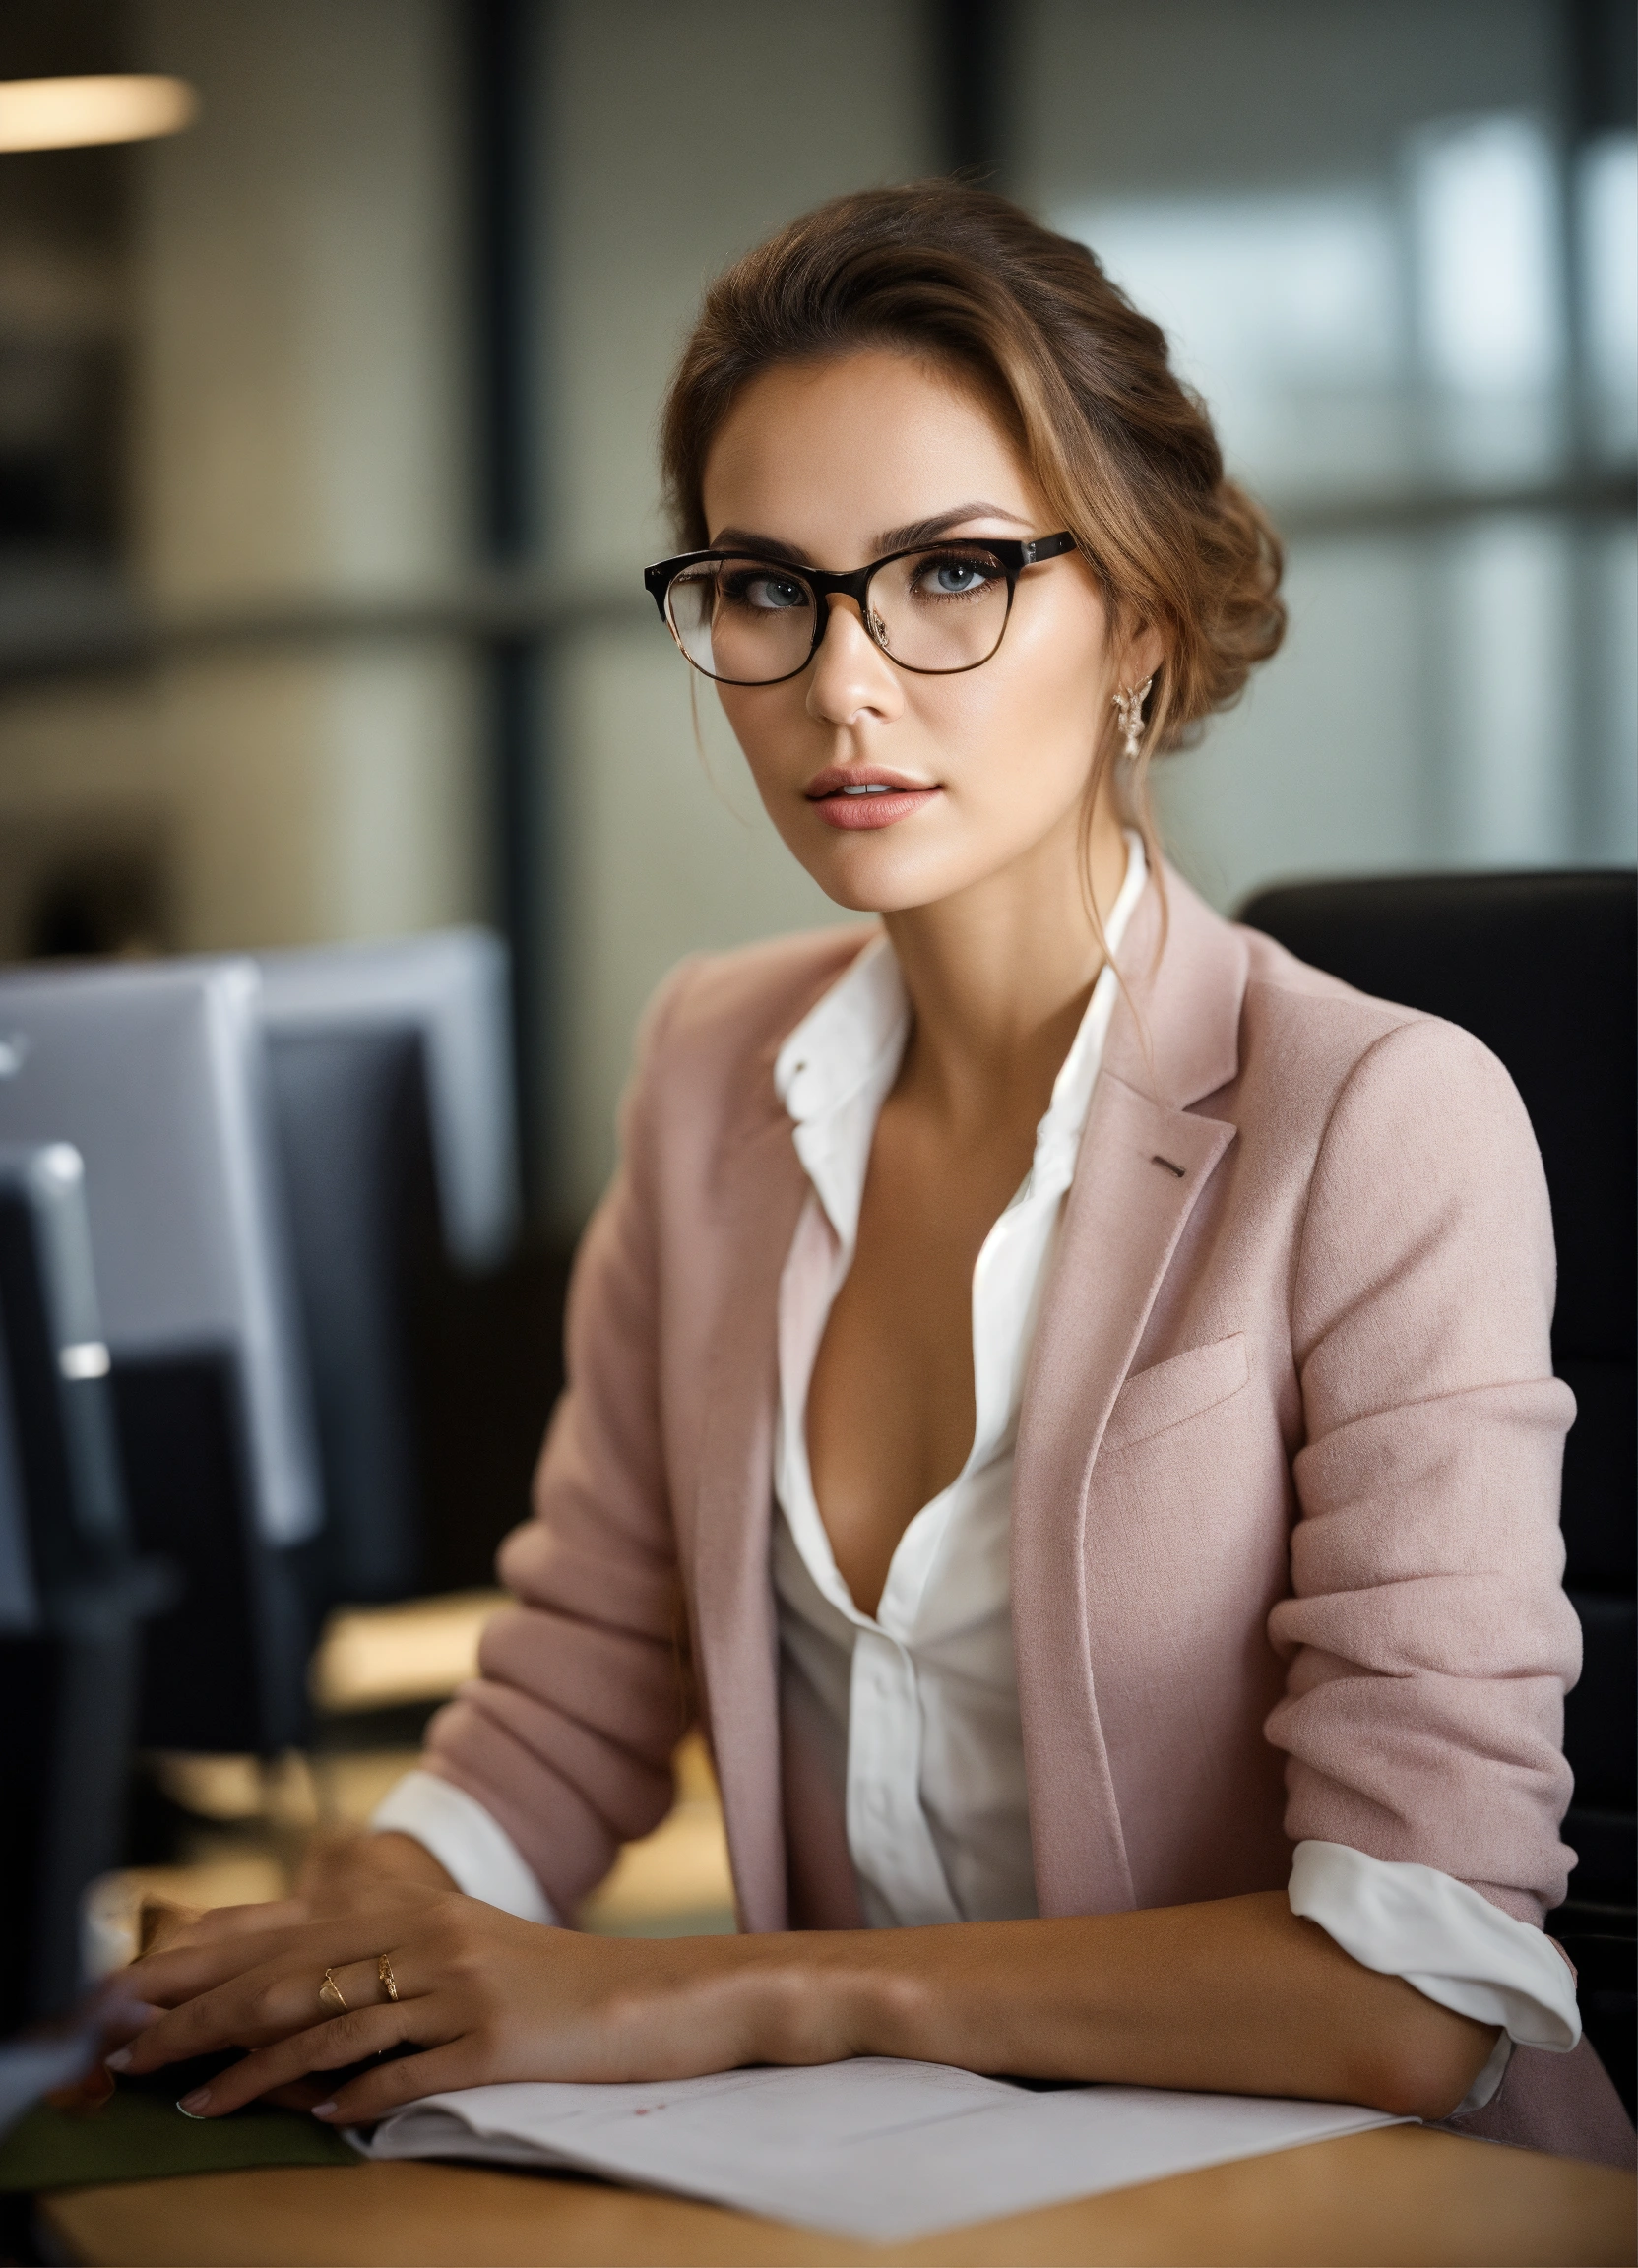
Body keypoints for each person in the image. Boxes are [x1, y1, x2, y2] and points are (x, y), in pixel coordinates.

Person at [111, 183, 1631, 2165]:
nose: (842, 682)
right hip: (885, 2194)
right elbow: (580, 1680)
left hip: (1345, 2207)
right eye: (766, 585)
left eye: (951, 574)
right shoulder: (710, 1067)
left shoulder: (1377, 1119)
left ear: (1139, 626)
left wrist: (734, 1997)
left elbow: (1413, 1987)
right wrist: (376, 1917)